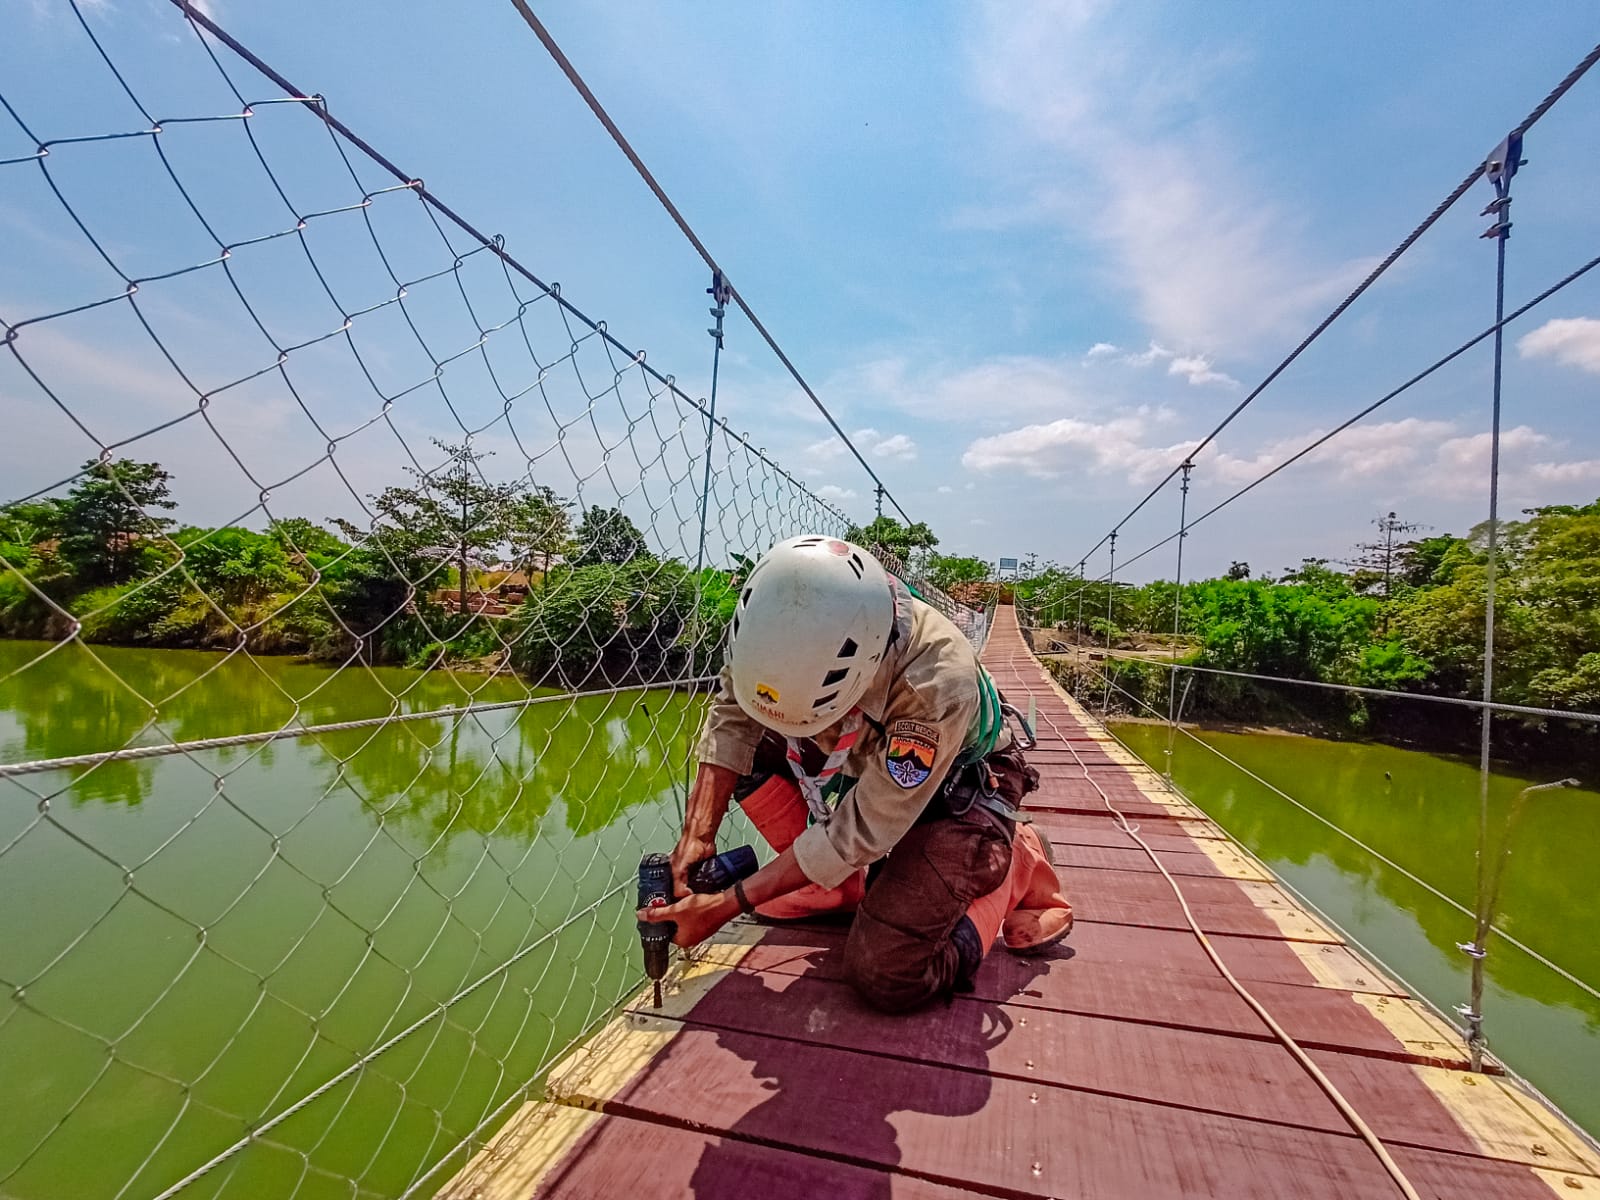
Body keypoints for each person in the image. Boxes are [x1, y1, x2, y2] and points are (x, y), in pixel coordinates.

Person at [638, 534, 1073, 1012]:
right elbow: (735, 717)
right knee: (747, 747)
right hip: (859, 755)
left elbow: (864, 828)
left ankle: (1014, 863)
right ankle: (836, 886)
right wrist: (698, 834)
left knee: (887, 972)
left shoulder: (934, 681)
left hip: (958, 786)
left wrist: (726, 904)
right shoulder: (771, 617)